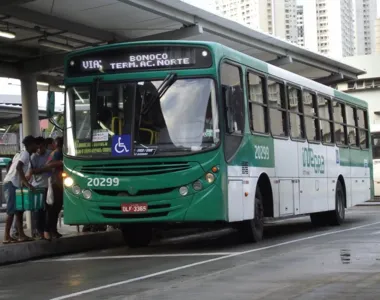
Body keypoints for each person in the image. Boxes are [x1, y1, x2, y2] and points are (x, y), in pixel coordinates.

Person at [2, 135, 37, 244]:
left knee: (18, 211)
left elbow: (12, 167)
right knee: (11, 211)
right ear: (31, 145)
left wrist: (21, 183)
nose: (37, 147)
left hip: (14, 183)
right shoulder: (25, 154)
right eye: (35, 144)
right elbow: (18, 167)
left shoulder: (20, 153)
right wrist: (26, 184)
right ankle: (6, 237)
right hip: (11, 184)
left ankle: (21, 235)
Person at [36, 136, 63, 239]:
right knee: (53, 209)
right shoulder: (57, 152)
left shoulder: (55, 152)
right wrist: (61, 163)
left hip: (57, 183)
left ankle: (53, 230)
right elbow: (49, 165)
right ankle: (48, 230)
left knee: (56, 209)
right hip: (56, 183)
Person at [27, 137, 52, 239]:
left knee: (49, 209)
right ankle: (40, 232)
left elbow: (52, 167)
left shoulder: (50, 154)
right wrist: (44, 169)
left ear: (44, 146)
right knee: (38, 211)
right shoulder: (33, 157)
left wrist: (41, 169)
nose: (39, 149)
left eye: (41, 147)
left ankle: (47, 230)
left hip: (49, 186)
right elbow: (32, 171)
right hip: (37, 187)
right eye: (37, 147)